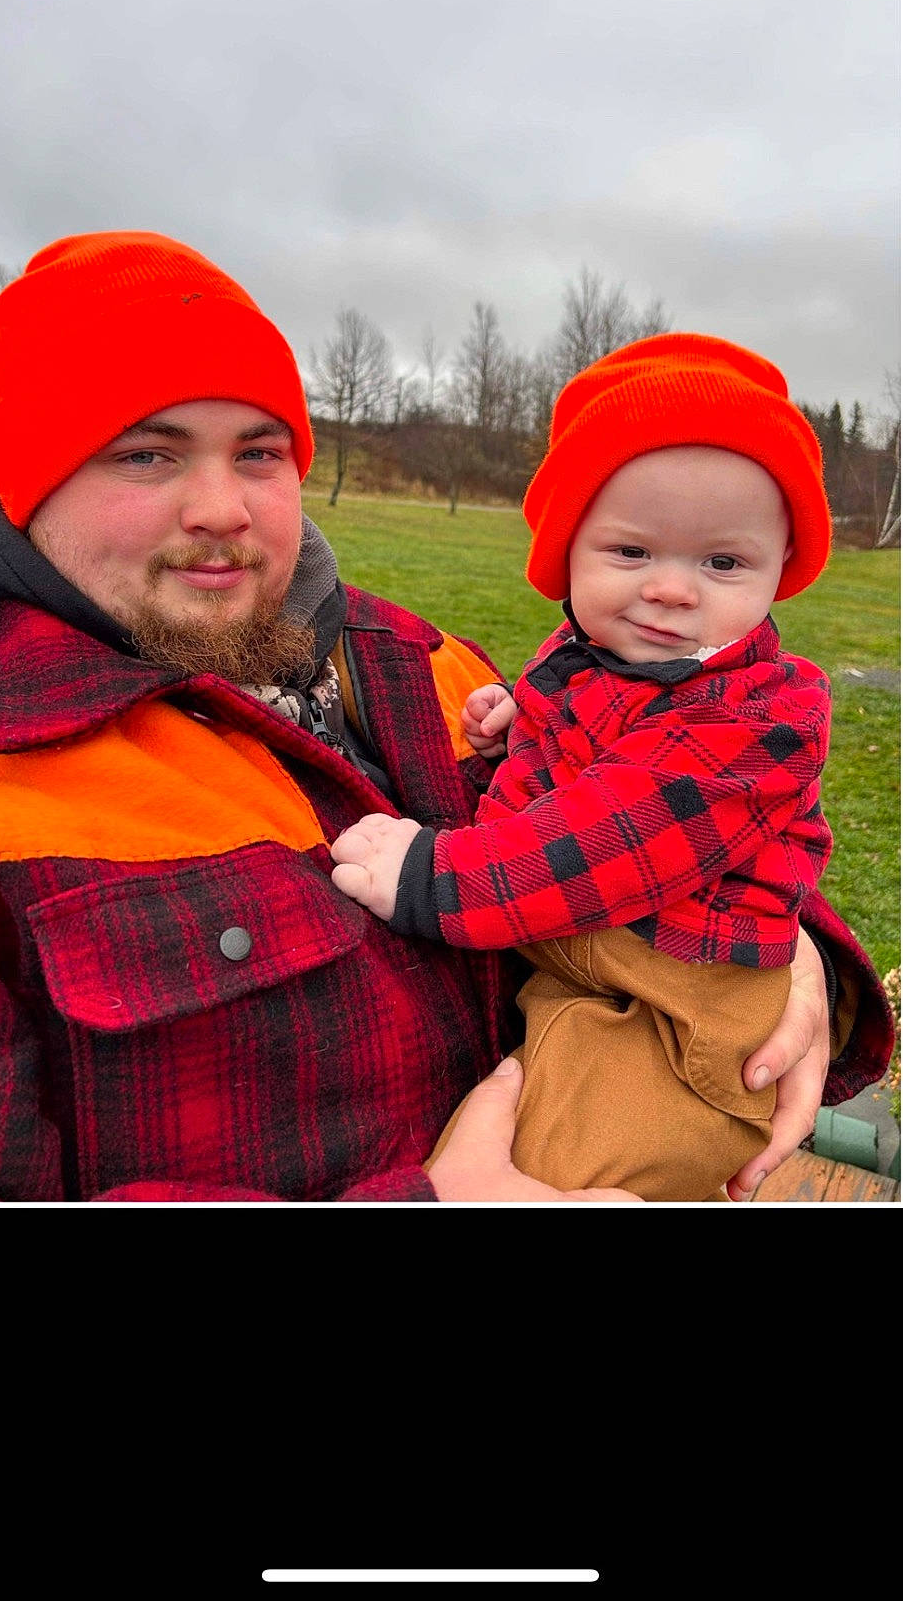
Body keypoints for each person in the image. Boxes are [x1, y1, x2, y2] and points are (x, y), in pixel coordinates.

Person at [0, 239, 892, 1204]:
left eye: (259, 452)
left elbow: (643, 813)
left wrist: (793, 952)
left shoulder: (426, 664)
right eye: (145, 453)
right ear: (32, 480)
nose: (221, 508)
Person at [330, 333, 896, 1200]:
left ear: (780, 570)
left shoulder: (764, 719)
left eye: (722, 562)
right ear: (567, 553)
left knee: (574, 1163)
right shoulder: (597, 658)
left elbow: (607, 838)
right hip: (591, 959)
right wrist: (527, 722)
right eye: (632, 552)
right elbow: (602, 723)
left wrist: (431, 879)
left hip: (684, 1003)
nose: (673, 589)